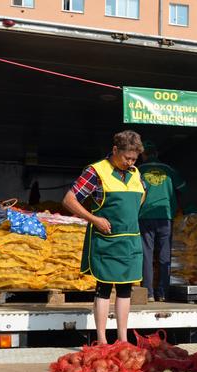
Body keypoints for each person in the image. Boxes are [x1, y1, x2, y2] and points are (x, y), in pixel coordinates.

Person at [62, 130, 145, 343]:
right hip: (106, 241)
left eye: (134, 159)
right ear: (115, 150)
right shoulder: (96, 171)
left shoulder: (136, 173)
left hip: (130, 241)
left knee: (126, 288)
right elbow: (69, 200)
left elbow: (139, 199)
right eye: (127, 157)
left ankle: (123, 340)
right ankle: (101, 340)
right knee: (104, 287)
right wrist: (94, 219)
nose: (130, 162)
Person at [138, 140, 186, 302]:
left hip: (145, 216)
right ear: (157, 154)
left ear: (143, 155)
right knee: (164, 255)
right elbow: (183, 189)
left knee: (147, 254)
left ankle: (149, 293)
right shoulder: (169, 170)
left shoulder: (138, 170)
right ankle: (163, 293)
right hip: (165, 216)